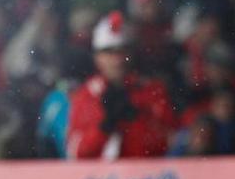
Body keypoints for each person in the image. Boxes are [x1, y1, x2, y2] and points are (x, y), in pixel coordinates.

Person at [66, 11, 176, 159]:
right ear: (97, 57)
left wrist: (137, 121)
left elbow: (169, 144)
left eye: (122, 51)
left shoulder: (153, 91)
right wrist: (105, 127)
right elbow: (75, 153)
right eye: (109, 52)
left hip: (145, 172)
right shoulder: (85, 96)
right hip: (98, 173)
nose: (117, 60)